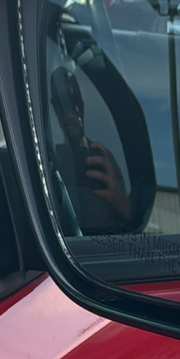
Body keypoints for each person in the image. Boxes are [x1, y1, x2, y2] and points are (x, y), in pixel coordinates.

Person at [48, 66, 133, 234]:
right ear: (55, 109)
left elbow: (130, 219)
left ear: (83, 107)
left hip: (109, 247)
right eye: (64, 106)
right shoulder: (48, 160)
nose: (71, 114)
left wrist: (119, 199)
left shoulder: (103, 159)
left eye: (75, 104)